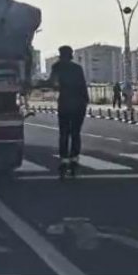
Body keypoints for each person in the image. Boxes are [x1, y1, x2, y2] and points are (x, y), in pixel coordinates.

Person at [45, 45, 89, 177]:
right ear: (71, 55)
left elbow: (52, 83)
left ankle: (64, 160)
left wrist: (38, 84)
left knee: (64, 132)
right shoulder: (77, 68)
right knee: (75, 133)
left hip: (65, 103)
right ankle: (74, 159)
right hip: (79, 104)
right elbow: (83, 86)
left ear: (60, 54)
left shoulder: (57, 67)